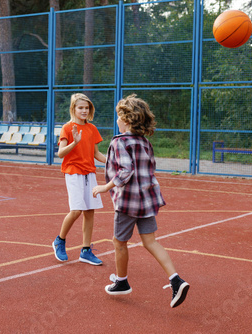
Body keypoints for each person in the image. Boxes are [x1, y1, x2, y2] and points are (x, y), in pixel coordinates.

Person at [92, 94, 190, 308]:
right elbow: (146, 168)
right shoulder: (144, 142)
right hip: (146, 200)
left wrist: (105, 187)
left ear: (126, 120)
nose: (117, 120)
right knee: (150, 241)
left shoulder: (119, 142)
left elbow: (126, 170)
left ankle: (122, 282)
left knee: (119, 242)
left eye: (118, 117)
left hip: (127, 203)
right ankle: (176, 280)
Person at [52, 93, 107, 266]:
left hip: (89, 173)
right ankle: (59, 241)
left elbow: (96, 153)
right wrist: (74, 142)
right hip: (73, 172)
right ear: (73, 109)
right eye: (80, 107)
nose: (84, 110)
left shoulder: (92, 129)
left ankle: (85, 251)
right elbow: (60, 153)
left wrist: (115, 161)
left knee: (90, 212)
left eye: (86, 108)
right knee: (76, 210)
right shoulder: (67, 128)